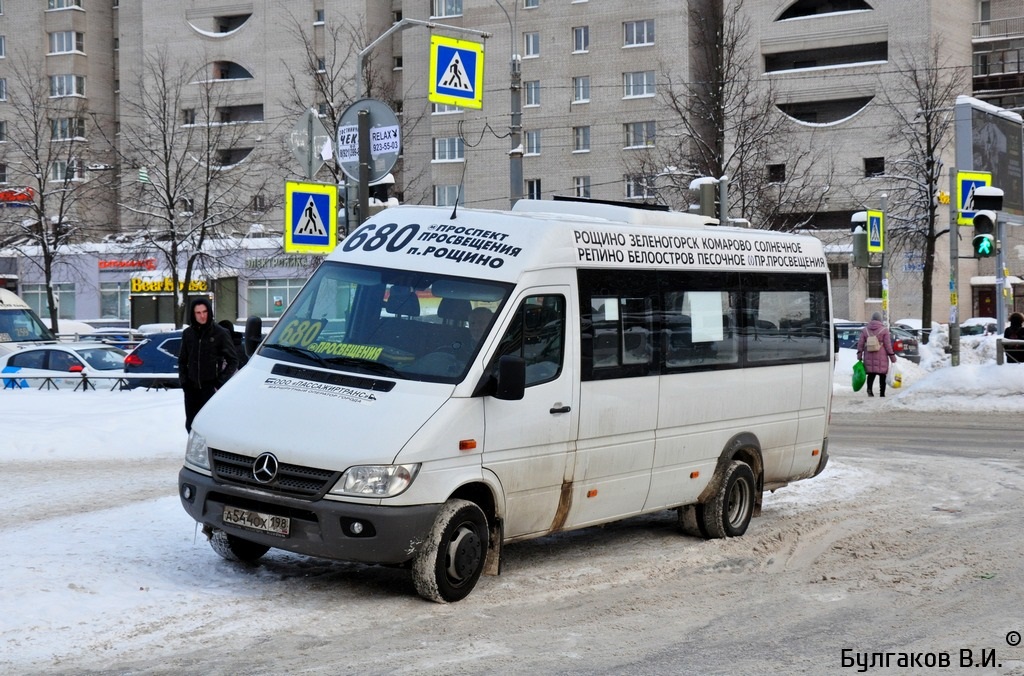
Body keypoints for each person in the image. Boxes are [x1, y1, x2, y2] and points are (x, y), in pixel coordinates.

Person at [179, 298, 238, 432]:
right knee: (191, 426)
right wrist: (184, 382)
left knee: (211, 426)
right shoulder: (188, 334)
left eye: (205, 311)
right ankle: (196, 452)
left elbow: (233, 360)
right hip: (191, 388)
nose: (202, 315)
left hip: (211, 388)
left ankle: (210, 452)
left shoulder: (220, 333)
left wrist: (219, 382)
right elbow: (182, 360)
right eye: (198, 313)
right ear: (193, 315)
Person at [856, 312, 897, 398]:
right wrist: (892, 357)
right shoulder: (884, 330)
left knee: (871, 374)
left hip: (868, 355)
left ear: (872, 319)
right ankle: (882, 393)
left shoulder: (865, 330)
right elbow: (888, 345)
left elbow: (860, 344)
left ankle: (869, 390)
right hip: (881, 355)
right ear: (880, 320)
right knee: (882, 375)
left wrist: (859, 355)